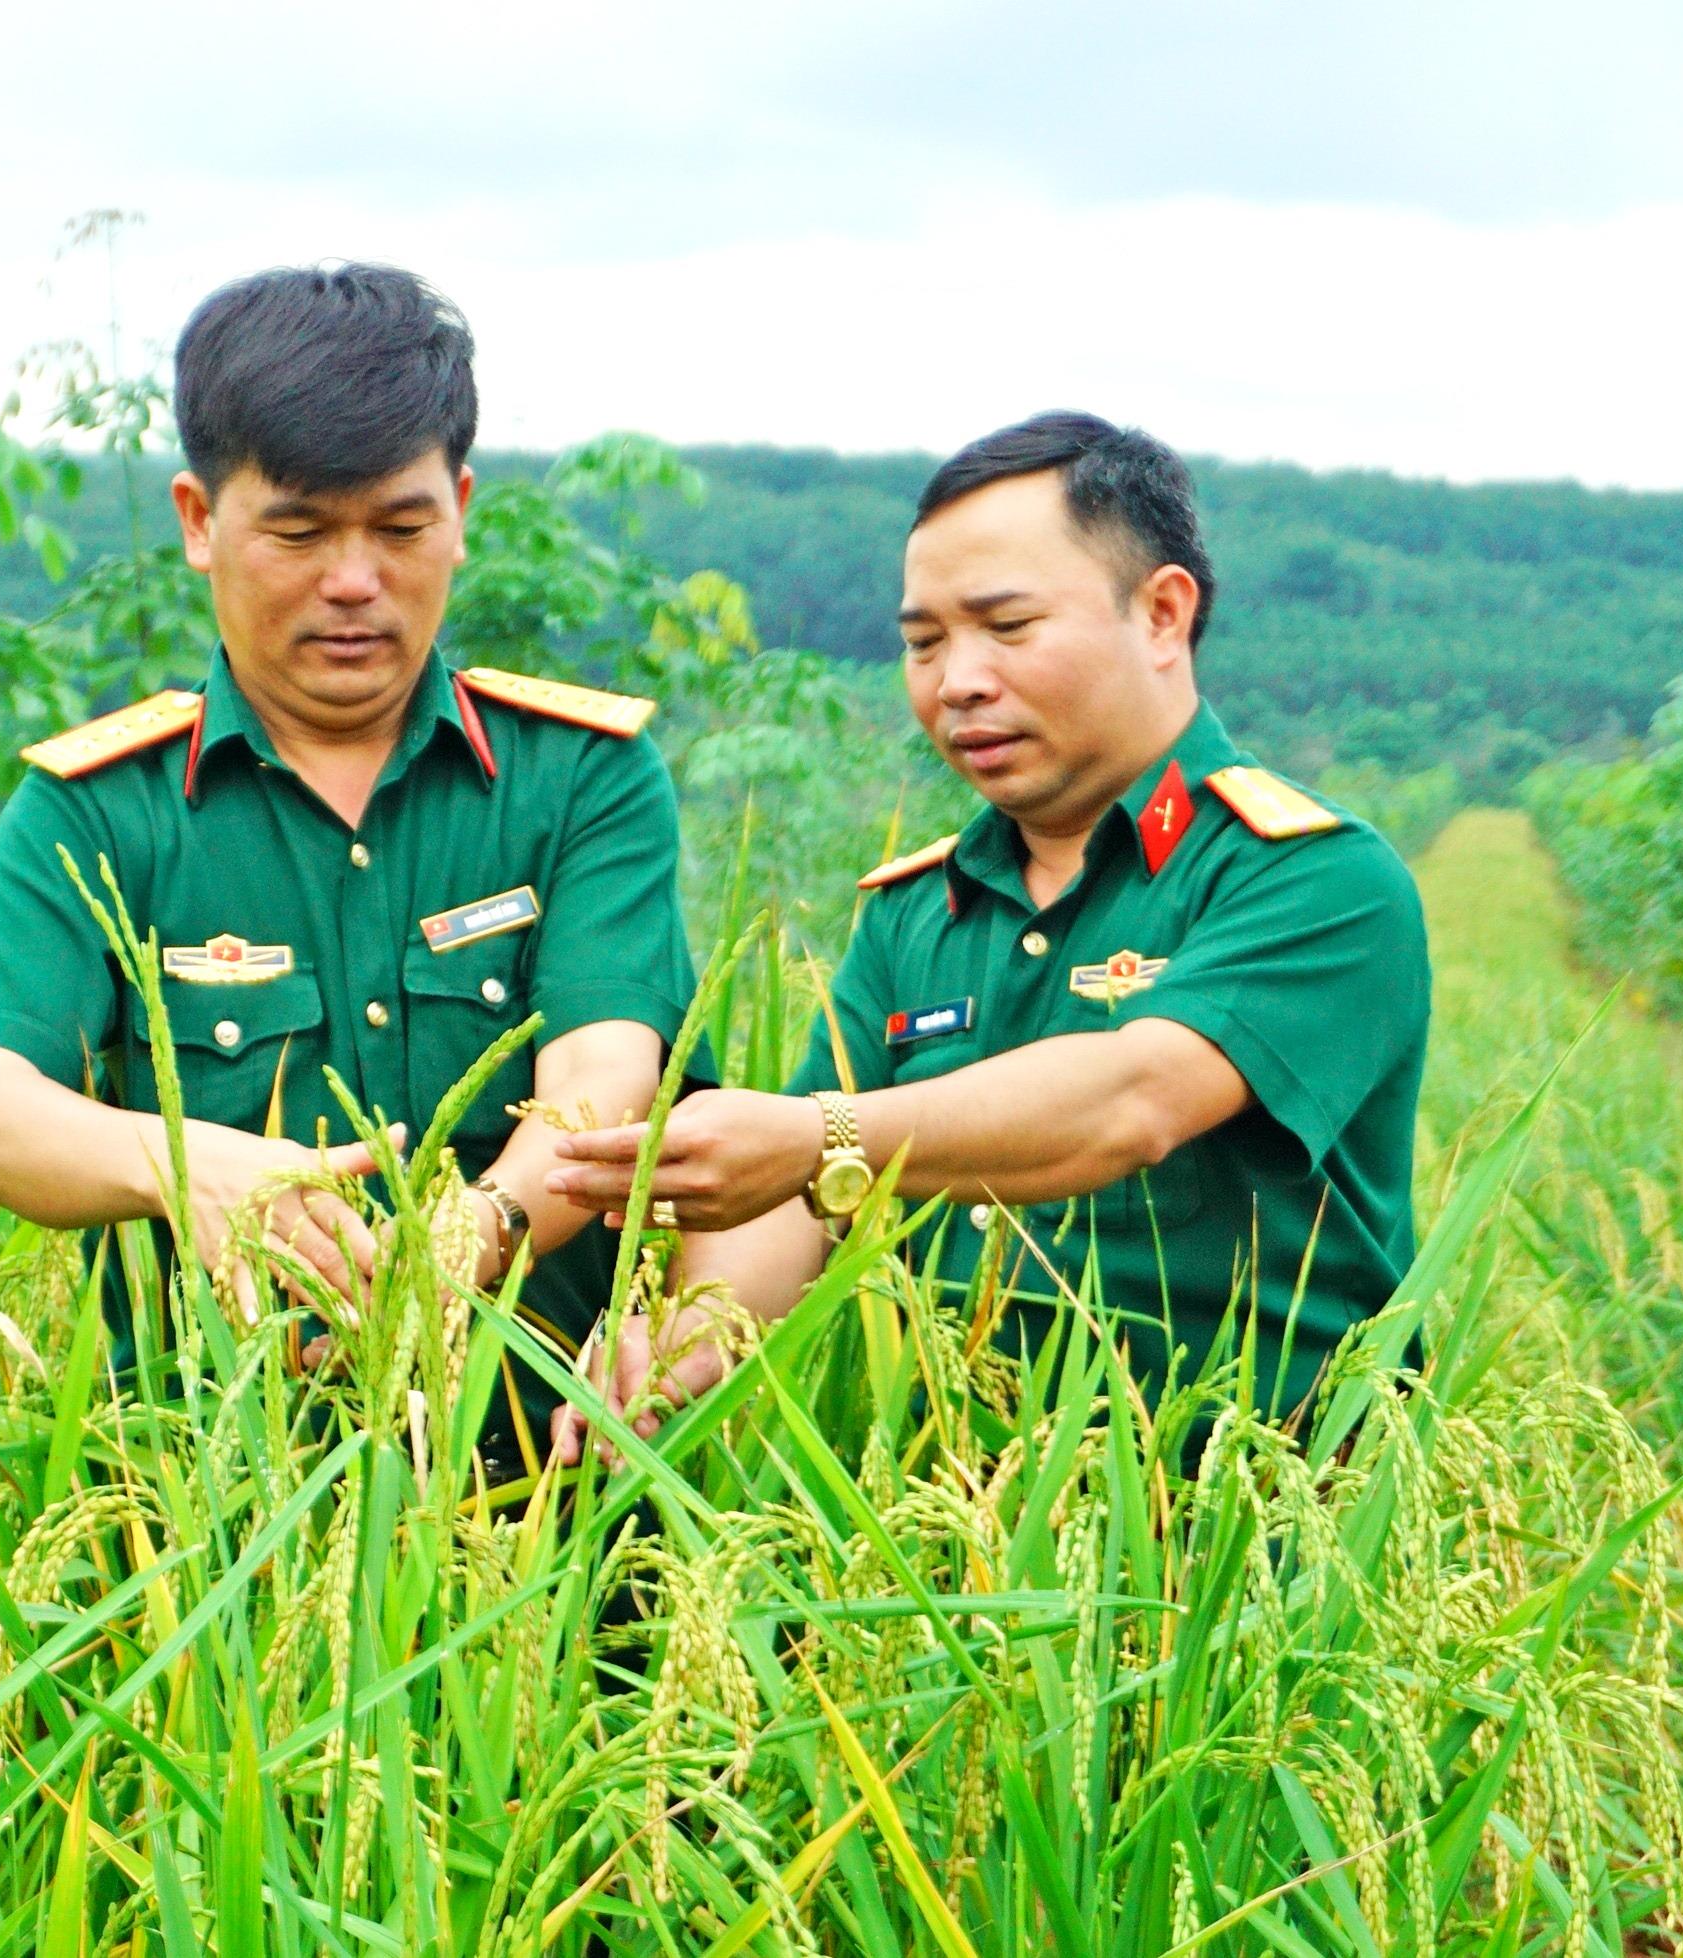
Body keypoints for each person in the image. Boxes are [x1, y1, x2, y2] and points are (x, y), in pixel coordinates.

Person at [0, 262, 706, 1467]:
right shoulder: (96, 808)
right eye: (297, 531)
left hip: (547, 1476)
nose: (353, 580)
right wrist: (187, 1167)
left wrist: (480, 1225)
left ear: (460, 509)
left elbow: (605, 1072)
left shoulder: (579, 776)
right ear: (198, 520)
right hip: (209, 1493)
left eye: (400, 528)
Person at [545, 411, 1431, 1458]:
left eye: (1006, 627)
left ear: (1161, 615)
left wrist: (824, 1137)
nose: (955, 680)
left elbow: (1132, 1101)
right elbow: (793, 1199)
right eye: (923, 642)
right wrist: (687, 1342)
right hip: (954, 1515)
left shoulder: (1310, 877)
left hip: (1244, 1512)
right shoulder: (917, 911)